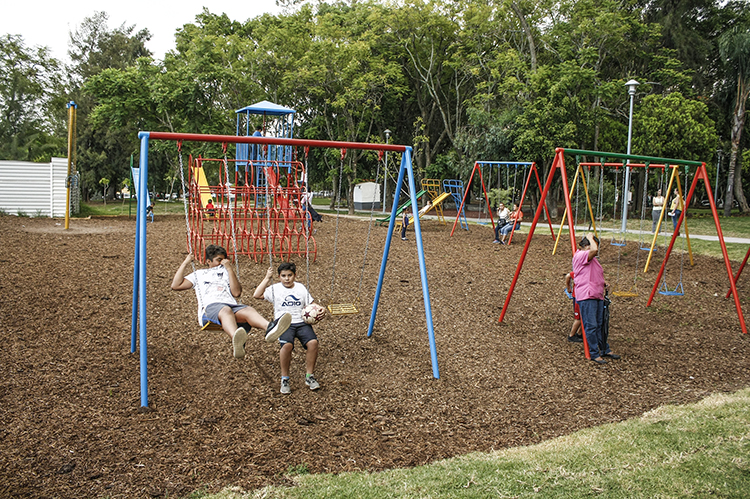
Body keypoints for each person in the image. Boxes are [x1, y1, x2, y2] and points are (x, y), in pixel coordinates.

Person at [171, 245, 291, 359]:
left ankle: (270, 328)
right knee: (225, 310)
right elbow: (176, 285)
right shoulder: (199, 274)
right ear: (209, 261)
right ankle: (236, 339)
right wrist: (186, 262)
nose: (223, 263)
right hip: (210, 309)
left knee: (248, 310)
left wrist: (229, 269)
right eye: (219, 260)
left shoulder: (227, 273)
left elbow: (236, 293)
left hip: (231, 306)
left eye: (224, 260)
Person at [254, 262, 324, 394]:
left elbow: (311, 303)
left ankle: (309, 376)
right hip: (284, 323)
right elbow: (256, 295)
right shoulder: (275, 288)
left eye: (290, 275)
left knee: (313, 343)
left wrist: (320, 308)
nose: (287, 278)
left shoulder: (300, 288)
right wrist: (267, 278)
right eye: (283, 276)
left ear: (295, 275)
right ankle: (285, 378)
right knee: (287, 346)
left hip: (302, 322)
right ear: (279, 277)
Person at [571, 233, 620, 364]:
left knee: (600, 325)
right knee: (591, 325)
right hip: (587, 296)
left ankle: (603, 349)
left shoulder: (592, 259)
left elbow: (591, 274)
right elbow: (594, 250)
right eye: (592, 244)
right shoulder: (580, 255)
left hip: (596, 294)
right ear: (586, 245)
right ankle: (594, 353)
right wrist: (591, 237)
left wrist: (603, 283)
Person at [565, 271, 583, 343]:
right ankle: (571, 335)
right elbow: (568, 276)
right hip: (578, 297)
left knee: (585, 316)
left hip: (585, 296)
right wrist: (569, 287)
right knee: (578, 318)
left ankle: (579, 333)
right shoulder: (580, 270)